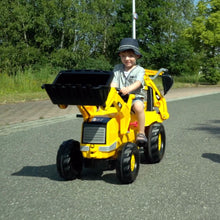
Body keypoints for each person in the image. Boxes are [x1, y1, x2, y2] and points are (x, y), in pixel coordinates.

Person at [111, 38, 147, 142]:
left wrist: (128, 89)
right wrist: (112, 90)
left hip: (134, 97)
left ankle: (141, 132)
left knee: (139, 106)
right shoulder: (117, 68)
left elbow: (138, 82)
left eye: (131, 56)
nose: (127, 59)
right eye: (123, 56)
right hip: (119, 97)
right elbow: (114, 82)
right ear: (120, 56)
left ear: (137, 56)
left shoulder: (140, 70)